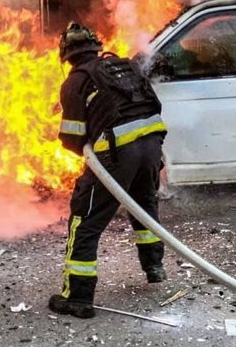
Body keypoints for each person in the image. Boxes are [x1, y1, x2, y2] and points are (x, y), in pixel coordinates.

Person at [48, 22, 168, 319]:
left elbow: (74, 139)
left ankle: (78, 298)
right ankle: (154, 267)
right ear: (96, 47)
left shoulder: (75, 82)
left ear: (66, 56)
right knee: (144, 206)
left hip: (118, 154)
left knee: (84, 221)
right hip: (152, 145)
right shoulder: (124, 67)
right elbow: (153, 104)